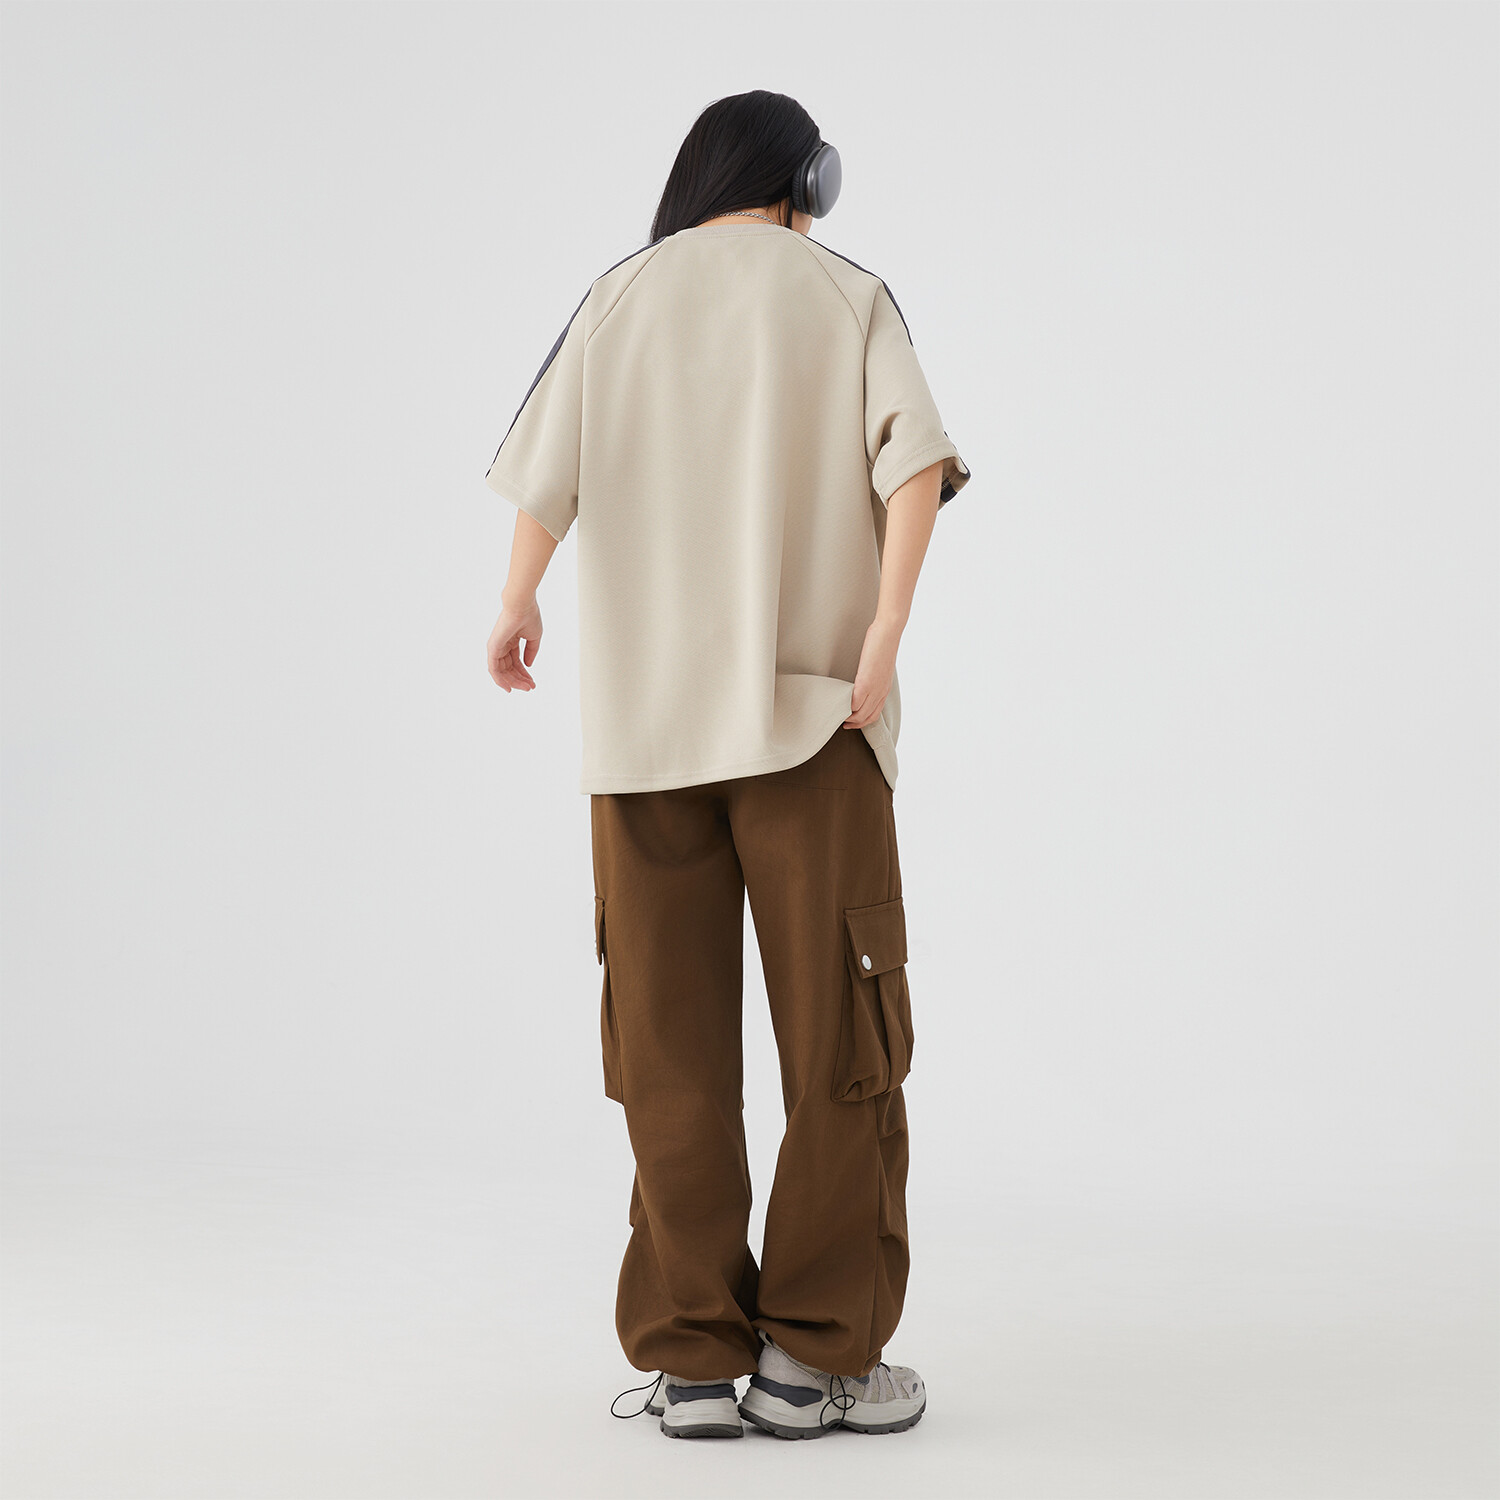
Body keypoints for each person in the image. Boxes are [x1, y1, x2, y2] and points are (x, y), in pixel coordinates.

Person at [482, 90, 970, 1441]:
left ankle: (694, 1362)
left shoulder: (617, 298)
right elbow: (915, 465)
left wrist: (517, 602)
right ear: (807, 179)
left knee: (668, 1054)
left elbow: (544, 478)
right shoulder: (849, 294)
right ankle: (814, 1361)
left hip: (643, 744)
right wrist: (885, 626)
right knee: (843, 1050)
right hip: (814, 726)